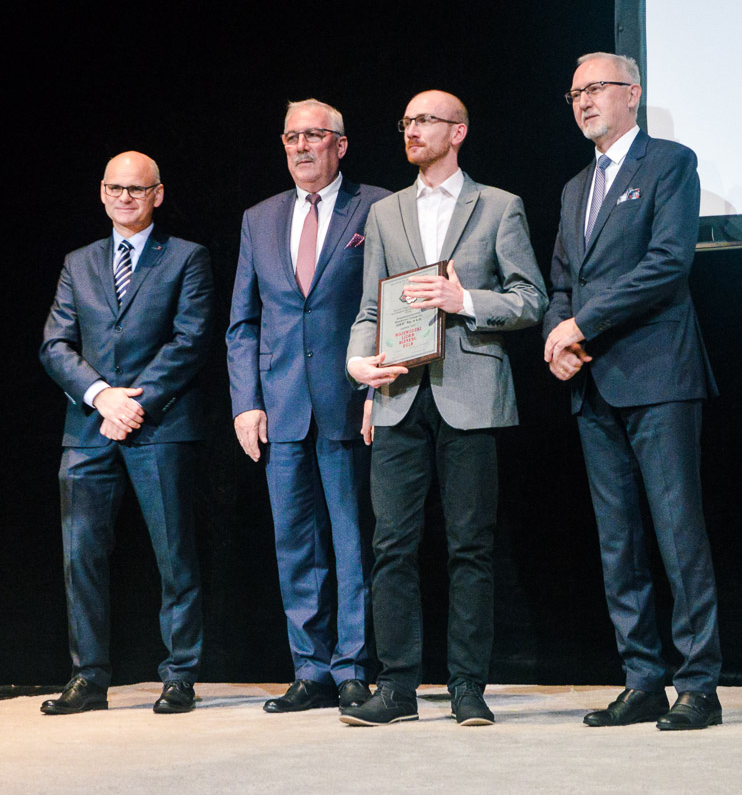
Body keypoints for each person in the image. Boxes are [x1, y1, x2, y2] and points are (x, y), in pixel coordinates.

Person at [342, 90, 547, 726]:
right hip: (399, 394)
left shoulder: (499, 206)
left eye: (425, 120)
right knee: (391, 546)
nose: (411, 130)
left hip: (470, 395)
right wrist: (358, 365)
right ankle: (396, 688)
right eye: (406, 121)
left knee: (470, 547)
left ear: (458, 132)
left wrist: (466, 302)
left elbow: (531, 298)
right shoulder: (385, 213)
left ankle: (467, 687)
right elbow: (371, 308)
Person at [543, 52, 722, 730]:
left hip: (658, 376)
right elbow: (562, 282)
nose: (585, 101)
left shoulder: (670, 163)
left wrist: (582, 324)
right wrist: (557, 338)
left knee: (678, 534)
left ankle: (698, 685)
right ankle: (642, 679)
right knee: (617, 541)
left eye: (596, 88)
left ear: (633, 93)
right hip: (593, 382)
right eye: (575, 93)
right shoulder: (574, 188)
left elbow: (667, 264)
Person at [227, 100, 390, 714]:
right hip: (282, 405)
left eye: (314, 135)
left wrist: (377, 391)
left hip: (348, 401)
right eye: (292, 136)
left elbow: (392, 303)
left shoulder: (376, 207)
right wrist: (247, 402)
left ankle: (352, 668)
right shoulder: (260, 218)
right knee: (295, 544)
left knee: (352, 542)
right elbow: (243, 322)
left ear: (339, 145)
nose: (301, 146)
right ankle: (310, 669)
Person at [40, 151, 213, 715]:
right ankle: (88, 678)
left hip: (159, 424)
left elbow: (190, 340)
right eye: (115, 188)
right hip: (88, 427)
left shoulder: (186, 257)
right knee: (81, 557)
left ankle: (180, 675)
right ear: (101, 192)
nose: (124, 198)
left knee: (174, 555)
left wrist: (133, 403)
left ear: (157, 195)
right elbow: (55, 345)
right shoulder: (79, 262)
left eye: (136, 189)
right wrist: (101, 396)